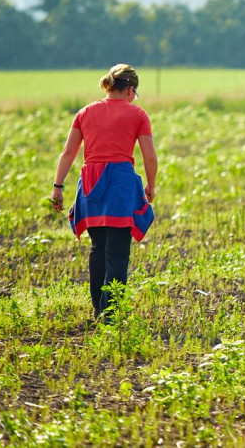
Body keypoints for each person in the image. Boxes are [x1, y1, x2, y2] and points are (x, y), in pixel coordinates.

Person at [50, 64, 158, 321]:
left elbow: (68, 153)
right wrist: (151, 186)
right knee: (118, 252)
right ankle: (111, 313)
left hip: (90, 184)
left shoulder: (85, 112)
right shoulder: (138, 115)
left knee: (98, 247)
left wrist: (57, 186)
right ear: (130, 89)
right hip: (120, 185)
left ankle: (99, 307)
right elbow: (150, 156)